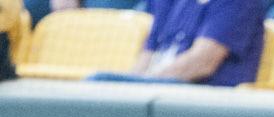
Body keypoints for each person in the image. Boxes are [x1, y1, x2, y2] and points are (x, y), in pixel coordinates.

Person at [88, 0, 264, 86]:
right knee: (104, 89)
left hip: (206, 97)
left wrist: (140, 87)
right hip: (163, 90)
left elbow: (202, 63)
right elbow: (149, 53)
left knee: (98, 81)